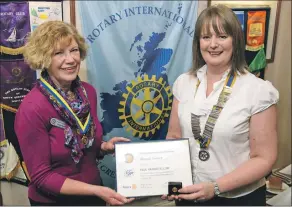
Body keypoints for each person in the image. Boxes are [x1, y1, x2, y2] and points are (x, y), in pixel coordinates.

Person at [162, 4, 279, 206]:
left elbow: (264, 158)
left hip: (238, 199)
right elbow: (173, 137)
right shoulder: (184, 82)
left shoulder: (258, 90)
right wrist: (171, 182)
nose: (213, 44)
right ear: (198, 42)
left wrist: (215, 186)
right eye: (206, 37)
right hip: (189, 195)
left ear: (236, 40)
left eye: (222, 36)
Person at [14, 21, 134, 206]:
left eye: (74, 50)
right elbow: (40, 176)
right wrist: (94, 190)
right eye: (58, 53)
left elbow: (82, 141)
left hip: (94, 193)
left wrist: (103, 147)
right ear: (44, 58)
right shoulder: (32, 107)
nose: (70, 60)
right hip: (54, 202)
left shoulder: (88, 93)